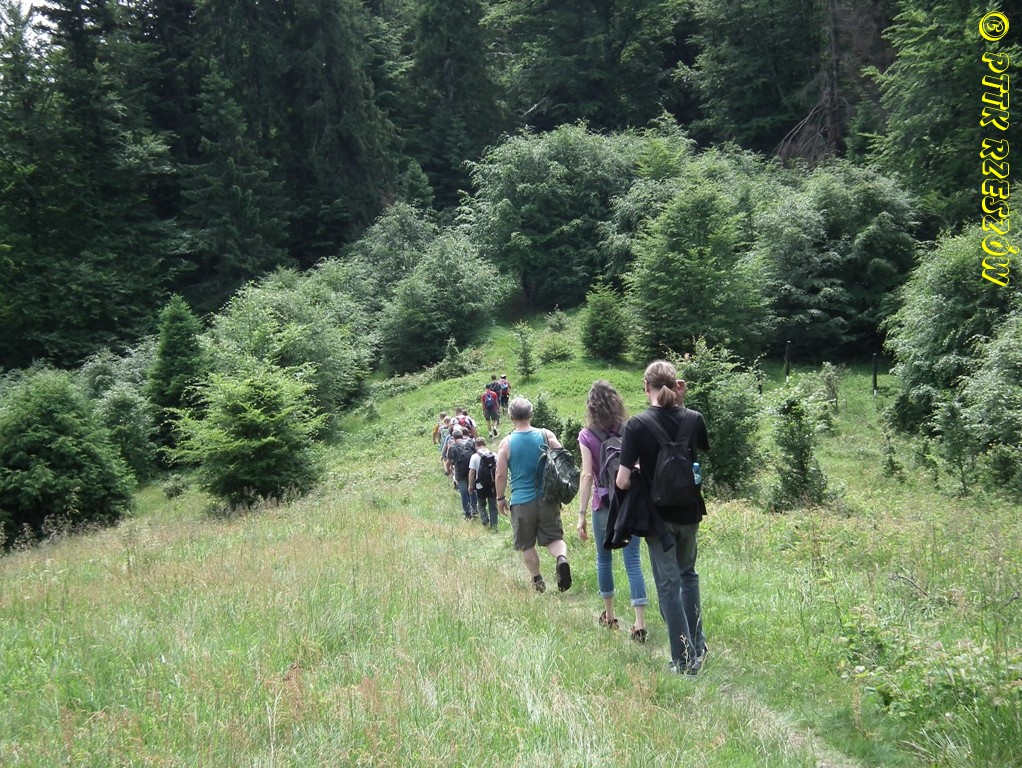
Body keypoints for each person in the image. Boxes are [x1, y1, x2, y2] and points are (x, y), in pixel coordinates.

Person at [616, 360, 710, 675]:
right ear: (676, 385)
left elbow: (622, 481)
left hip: (658, 519)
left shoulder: (637, 425)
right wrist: (681, 401)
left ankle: (683, 660)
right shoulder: (694, 419)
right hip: (690, 512)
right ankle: (698, 647)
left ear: (646, 387)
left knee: (669, 584)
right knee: (689, 576)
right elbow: (697, 449)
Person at [576, 380, 649, 641]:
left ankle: (609, 616)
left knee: (604, 559)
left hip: (603, 504)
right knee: (633, 561)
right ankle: (639, 623)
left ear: (591, 406)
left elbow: (587, 475)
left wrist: (581, 515)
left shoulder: (586, 435)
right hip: (629, 502)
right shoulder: (630, 428)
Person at [495, 396, 572, 593]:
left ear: (511, 417)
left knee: (527, 544)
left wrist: (500, 498)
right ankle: (561, 559)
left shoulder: (506, 443)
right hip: (548, 499)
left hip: (521, 502)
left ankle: (537, 580)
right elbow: (564, 459)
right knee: (554, 538)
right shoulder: (546, 435)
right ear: (531, 414)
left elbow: (500, 474)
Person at [447, 427, 478, 520]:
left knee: (464, 493)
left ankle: (467, 513)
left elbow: (448, 462)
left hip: (460, 473)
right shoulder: (470, 443)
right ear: (462, 436)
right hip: (471, 471)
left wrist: (449, 470)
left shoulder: (453, 447)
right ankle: (475, 510)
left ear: (453, 437)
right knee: (472, 490)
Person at [469, 436, 499, 531]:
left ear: (476, 445)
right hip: (492, 484)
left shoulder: (474, 456)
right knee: (493, 506)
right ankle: (494, 526)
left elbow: (472, 472)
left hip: (480, 485)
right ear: (485, 444)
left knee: (481, 504)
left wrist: (470, 485)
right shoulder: (494, 455)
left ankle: (485, 521)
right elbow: (498, 471)